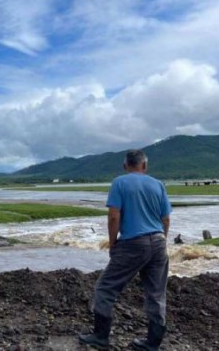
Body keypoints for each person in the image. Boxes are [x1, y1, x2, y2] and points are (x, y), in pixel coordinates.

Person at [79, 149, 172, 351]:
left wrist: (113, 243)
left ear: (125, 166)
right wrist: (162, 239)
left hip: (132, 243)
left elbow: (114, 216)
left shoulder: (119, 182)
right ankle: (152, 344)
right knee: (156, 293)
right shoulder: (158, 185)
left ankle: (100, 336)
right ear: (144, 165)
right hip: (158, 241)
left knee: (105, 288)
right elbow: (166, 219)